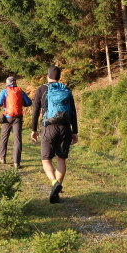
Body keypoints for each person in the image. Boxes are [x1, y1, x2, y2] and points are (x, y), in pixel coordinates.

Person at [30, 66, 78, 203]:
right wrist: (75, 131)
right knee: (61, 159)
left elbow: (35, 111)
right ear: (59, 76)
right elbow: (73, 112)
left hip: (49, 127)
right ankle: (56, 193)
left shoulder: (41, 89)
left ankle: (54, 183)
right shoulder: (66, 89)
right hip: (65, 128)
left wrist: (34, 130)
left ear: (48, 76)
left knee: (46, 159)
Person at [0, 76, 32, 169]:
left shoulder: (4, 91)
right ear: (15, 82)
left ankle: (2, 157)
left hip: (7, 117)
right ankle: (17, 162)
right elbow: (28, 102)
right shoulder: (20, 91)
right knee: (17, 139)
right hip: (18, 118)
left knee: (4, 137)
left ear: (7, 83)